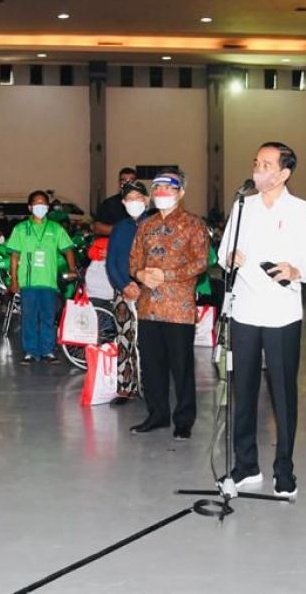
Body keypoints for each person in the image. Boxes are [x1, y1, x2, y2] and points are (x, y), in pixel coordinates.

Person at [217, 143, 306, 498]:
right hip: (245, 310)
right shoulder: (242, 206)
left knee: (282, 392)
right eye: (256, 162)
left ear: (283, 173)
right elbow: (222, 254)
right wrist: (230, 257)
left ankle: (284, 470)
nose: (258, 169)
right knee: (243, 391)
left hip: (282, 312)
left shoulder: (301, 211)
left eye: (266, 164)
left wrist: (295, 270)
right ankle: (246, 466)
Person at [128, 170, 209, 439]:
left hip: (178, 308)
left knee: (181, 366)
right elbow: (134, 261)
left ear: (181, 193)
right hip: (148, 306)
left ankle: (183, 420)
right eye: (158, 188)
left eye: (169, 188)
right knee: (152, 365)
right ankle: (157, 414)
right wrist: (140, 275)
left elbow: (201, 262)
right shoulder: (145, 225)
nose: (162, 193)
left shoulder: (193, 224)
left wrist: (167, 276)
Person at [7, 190, 77, 365]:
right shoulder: (21, 229)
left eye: (43, 204)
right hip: (28, 282)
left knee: (48, 317)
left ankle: (47, 350)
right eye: (36, 204)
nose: (40, 207)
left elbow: (68, 248)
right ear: (30, 207)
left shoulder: (55, 228)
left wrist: (72, 268)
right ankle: (30, 351)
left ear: (48, 207)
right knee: (29, 317)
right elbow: (14, 256)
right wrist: (14, 280)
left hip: (49, 281)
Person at [106, 181, 149, 404]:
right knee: (125, 339)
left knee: (150, 342)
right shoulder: (120, 228)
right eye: (129, 199)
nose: (134, 203)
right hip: (123, 291)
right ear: (123, 203)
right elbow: (111, 262)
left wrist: (141, 287)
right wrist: (124, 286)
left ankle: (150, 387)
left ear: (147, 200)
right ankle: (126, 386)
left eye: (138, 198)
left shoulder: (154, 225)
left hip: (149, 293)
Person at [93, 167, 139, 236]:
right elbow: (97, 228)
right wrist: (121, 230)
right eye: (124, 180)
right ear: (119, 183)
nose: (127, 184)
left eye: (131, 181)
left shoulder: (142, 202)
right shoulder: (109, 203)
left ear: (136, 183)